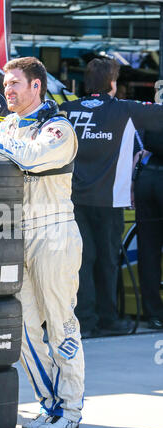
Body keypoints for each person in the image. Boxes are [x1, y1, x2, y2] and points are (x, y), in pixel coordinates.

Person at [0, 57, 85, 428]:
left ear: (36, 87)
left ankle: (72, 408)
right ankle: (50, 406)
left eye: (15, 84)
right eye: (6, 84)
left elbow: (27, 156)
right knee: (24, 328)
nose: (7, 90)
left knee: (61, 324)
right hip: (14, 233)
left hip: (55, 232)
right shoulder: (10, 125)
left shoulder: (58, 128)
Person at [60, 57, 163, 338]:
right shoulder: (127, 110)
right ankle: (108, 318)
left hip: (75, 200)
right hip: (110, 201)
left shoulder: (66, 110)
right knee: (106, 261)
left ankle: (85, 320)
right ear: (113, 84)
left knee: (82, 262)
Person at [134, 129, 163, 329]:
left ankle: (154, 314)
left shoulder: (153, 113)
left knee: (149, 252)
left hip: (146, 178)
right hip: (153, 179)